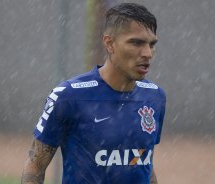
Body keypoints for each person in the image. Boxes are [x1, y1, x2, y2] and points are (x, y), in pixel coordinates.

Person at [21, 2, 166, 184]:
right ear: (109, 43)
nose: (147, 53)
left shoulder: (155, 97)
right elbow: (36, 165)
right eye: (136, 43)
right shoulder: (69, 96)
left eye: (151, 44)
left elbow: (144, 163)